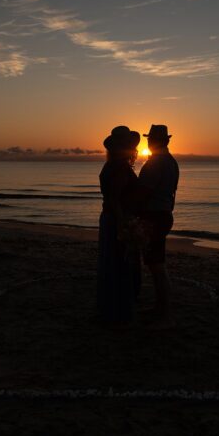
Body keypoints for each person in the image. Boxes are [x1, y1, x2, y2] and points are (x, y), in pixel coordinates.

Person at [97, 126, 142, 324]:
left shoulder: (113, 166)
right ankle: (120, 313)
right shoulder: (119, 168)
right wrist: (123, 224)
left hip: (111, 218)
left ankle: (113, 309)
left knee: (114, 264)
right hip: (118, 219)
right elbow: (115, 200)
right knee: (121, 264)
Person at [138, 124, 179, 328]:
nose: (148, 141)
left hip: (154, 216)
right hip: (163, 214)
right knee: (156, 263)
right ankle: (161, 308)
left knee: (156, 265)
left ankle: (165, 313)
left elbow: (144, 192)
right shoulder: (171, 162)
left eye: (150, 139)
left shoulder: (156, 163)